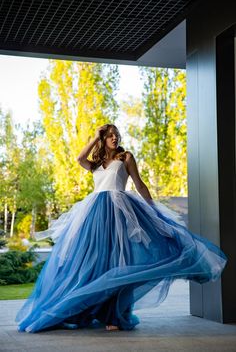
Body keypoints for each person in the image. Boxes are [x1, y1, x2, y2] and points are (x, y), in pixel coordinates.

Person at [15, 123, 228, 333]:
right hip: (95, 214)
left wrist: (154, 210)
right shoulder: (96, 162)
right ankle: (89, 310)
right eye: (109, 135)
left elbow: (139, 183)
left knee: (119, 262)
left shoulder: (125, 157)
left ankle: (114, 315)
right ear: (103, 139)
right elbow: (80, 159)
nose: (114, 138)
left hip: (119, 212)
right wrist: (95, 138)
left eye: (116, 135)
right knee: (92, 262)